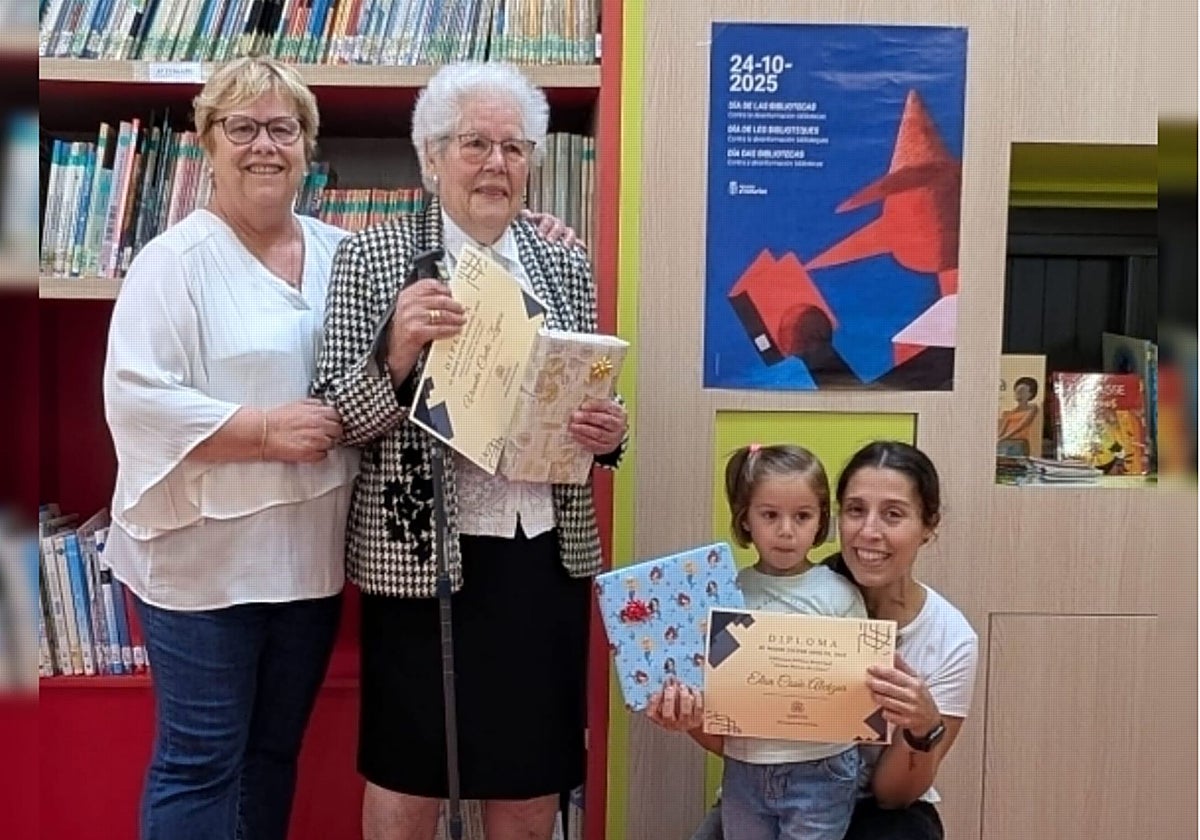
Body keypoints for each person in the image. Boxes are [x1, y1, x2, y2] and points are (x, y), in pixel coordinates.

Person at [101, 56, 578, 840]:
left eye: (283, 129)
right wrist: (265, 429)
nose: (265, 146)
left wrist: (528, 226)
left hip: (303, 559)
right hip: (202, 561)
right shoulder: (170, 264)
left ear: (306, 146)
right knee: (199, 761)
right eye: (243, 128)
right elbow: (138, 403)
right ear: (205, 143)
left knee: (270, 756)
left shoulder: (334, 249)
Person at [311, 60, 627, 840]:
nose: (496, 164)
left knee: (528, 780)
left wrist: (610, 434)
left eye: (515, 148)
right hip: (421, 562)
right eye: (475, 143)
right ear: (430, 156)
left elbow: (587, 397)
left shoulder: (563, 259)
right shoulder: (375, 259)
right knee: (409, 776)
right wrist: (394, 354)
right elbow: (334, 417)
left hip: (540, 557)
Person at [650, 441, 979, 840]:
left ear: (928, 525)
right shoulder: (755, 592)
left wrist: (923, 727)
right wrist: (690, 716)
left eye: (893, 514)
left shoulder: (951, 637)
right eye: (856, 510)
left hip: (874, 804)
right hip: (754, 780)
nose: (870, 531)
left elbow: (893, 796)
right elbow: (742, 730)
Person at [654, 443, 868, 840]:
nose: (786, 530)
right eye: (770, 515)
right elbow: (712, 680)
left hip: (822, 768)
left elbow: (859, 692)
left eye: (802, 516)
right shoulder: (726, 592)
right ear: (746, 519)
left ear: (821, 520)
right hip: (744, 768)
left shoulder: (840, 594)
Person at [997, 376, 1040, 456]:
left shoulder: (1033, 408)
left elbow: (1020, 426)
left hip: (1019, 443)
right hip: (1006, 442)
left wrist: (1002, 438)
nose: (1018, 392)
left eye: (1022, 390)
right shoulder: (1011, 411)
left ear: (1030, 394)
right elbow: (1003, 428)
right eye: (1017, 390)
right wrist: (998, 438)